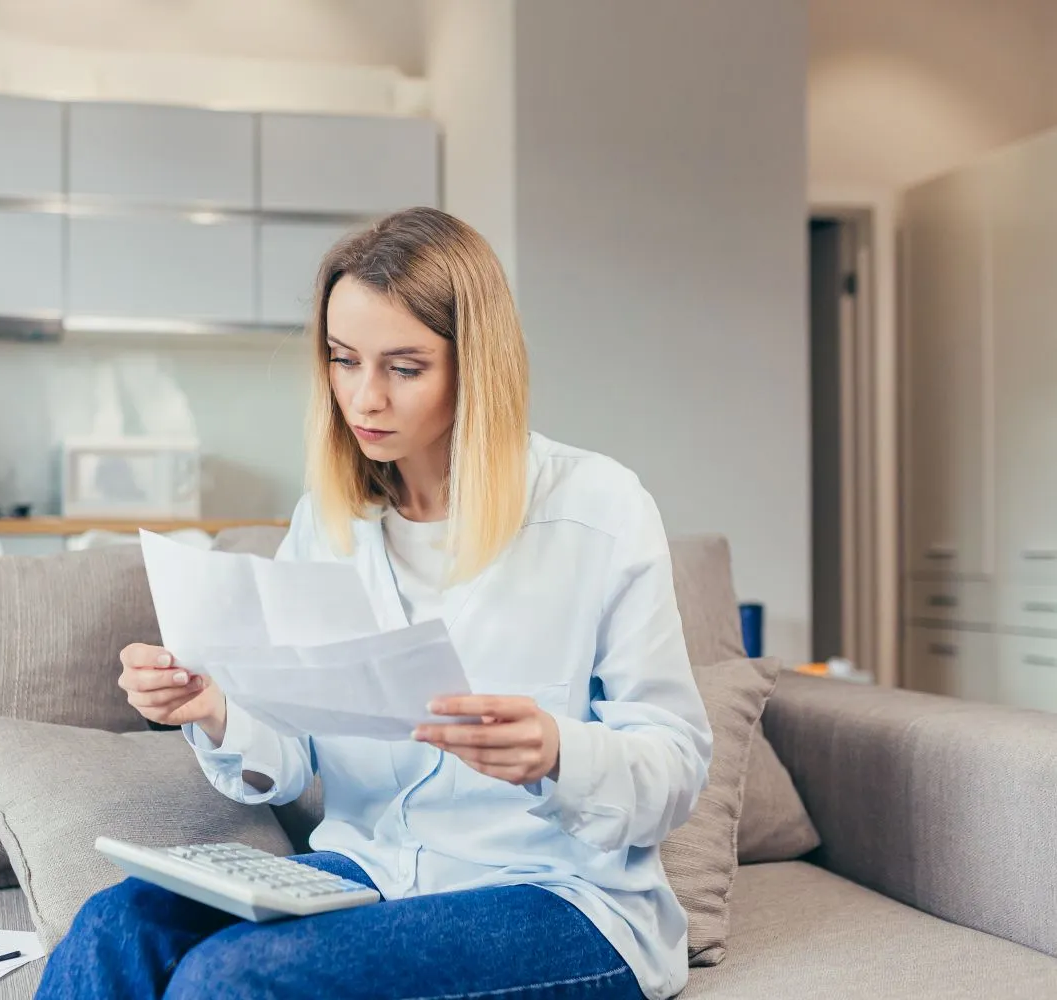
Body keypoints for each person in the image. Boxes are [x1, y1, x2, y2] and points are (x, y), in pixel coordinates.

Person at [35, 207, 713, 1000]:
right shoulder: (329, 521)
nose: (365, 398)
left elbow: (675, 763)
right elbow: (290, 761)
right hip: (373, 875)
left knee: (234, 979)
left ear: (475, 365)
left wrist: (558, 752)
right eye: (343, 359)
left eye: (404, 367)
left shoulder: (599, 508)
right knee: (119, 923)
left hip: (556, 894)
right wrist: (215, 708)